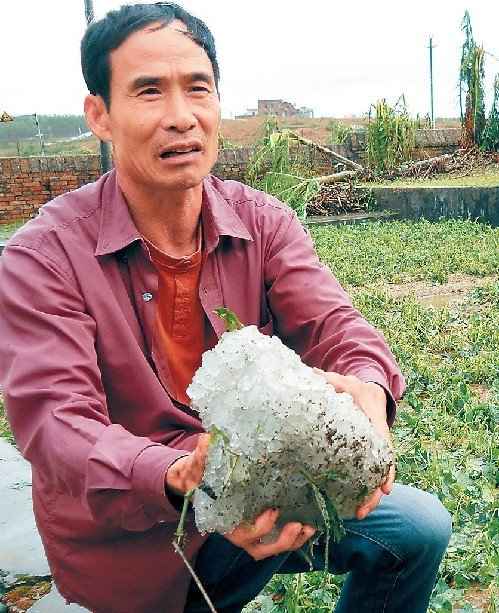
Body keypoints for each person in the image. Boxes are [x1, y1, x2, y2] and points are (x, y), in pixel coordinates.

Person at [0, 4, 451, 612]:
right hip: (130, 538)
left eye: (198, 89)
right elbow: (57, 424)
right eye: (149, 92)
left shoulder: (261, 223)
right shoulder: (44, 255)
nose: (181, 118)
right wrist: (185, 475)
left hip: (255, 489)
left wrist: (369, 388)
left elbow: (336, 326)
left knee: (416, 528)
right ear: (100, 115)